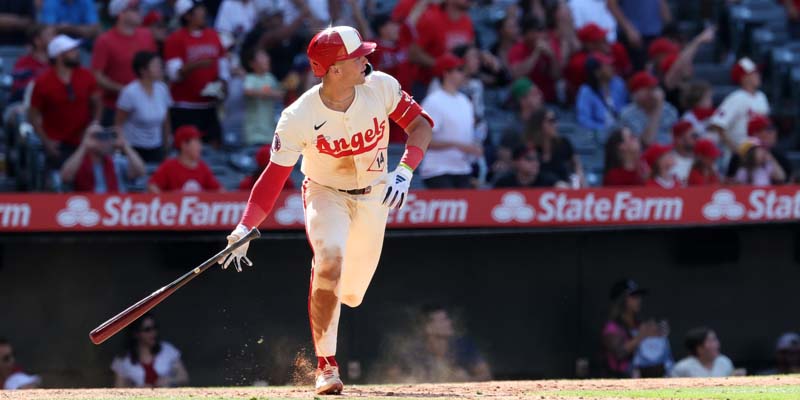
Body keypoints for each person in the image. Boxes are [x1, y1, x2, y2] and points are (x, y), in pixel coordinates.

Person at [219, 25, 433, 395]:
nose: (367, 59)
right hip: (325, 193)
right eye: (358, 56)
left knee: (351, 294)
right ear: (335, 68)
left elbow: (420, 125)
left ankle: (332, 313)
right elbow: (272, 178)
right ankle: (326, 367)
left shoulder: (379, 85)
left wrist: (405, 171)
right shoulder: (298, 115)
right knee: (330, 261)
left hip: (374, 196)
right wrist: (244, 227)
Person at [28, 34, 102, 168]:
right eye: (72, 51)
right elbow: (33, 116)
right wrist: (46, 142)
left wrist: (94, 124)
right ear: (59, 56)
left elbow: (97, 103)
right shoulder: (42, 83)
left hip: (83, 141)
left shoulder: (86, 76)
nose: (77, 53)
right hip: (58, 145)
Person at [164, 0, 228, 146]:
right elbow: (174, 74)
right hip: (185, 107)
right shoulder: (175, 39)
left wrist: (223, 83)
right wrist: (197, 65)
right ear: (187, 16)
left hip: (210, 106)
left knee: (215, 146)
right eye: (199, 11)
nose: (204, 13)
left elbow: (223, 63)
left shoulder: (213, 35)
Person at [381, 305, 492, 383]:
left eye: (448, 319)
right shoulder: (411, 350)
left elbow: (486, 375)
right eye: (443, 320)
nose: (449, 322)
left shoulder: (462, 345)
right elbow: (390, 378)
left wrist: (466, 380)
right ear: (428, 328)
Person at [91, 0, 157, 126]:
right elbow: (97, 76)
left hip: (145, 104)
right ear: (120, 14)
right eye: (134, 8)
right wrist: (126, 91)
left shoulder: (147, 35)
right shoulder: (104, 41)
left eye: (139, 7)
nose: (140, 11)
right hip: (115, 107)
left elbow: (154, 66)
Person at [420, 54, 479, 189]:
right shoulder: (433, 101)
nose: (463, 74)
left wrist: (473, 147)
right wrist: (456, 145)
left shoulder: (465, 101)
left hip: (463, 169)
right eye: (458, 70)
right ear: (446, 73)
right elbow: (423, 140)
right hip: (438, 170)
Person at [602, 279, 672, 378]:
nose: (638, 300)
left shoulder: (640, 323)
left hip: (645, 379)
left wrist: (657, 335)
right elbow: (619, 354)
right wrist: (641, 336)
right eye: (634, 297)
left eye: (639, 296)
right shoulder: (612, 327)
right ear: (621, 300)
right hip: (619, 381)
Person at [115, 51, 172, 163]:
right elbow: (119, 124)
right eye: (155, 65)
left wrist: (166, 146)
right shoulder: (129, 92)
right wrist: (122, 148)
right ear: (143, 70)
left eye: (160, 65)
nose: (160, 68)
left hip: (156, 147)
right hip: (133, 149)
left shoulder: (162, 89)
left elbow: (166, 121)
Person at [60, 124, 146, 192]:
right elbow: (65, 177)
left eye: (105, 137)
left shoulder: (116, 162)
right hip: (91, 209)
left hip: (116, 207)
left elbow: (140, 172)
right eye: (98, 137)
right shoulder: (79, 163)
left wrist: (125, 145)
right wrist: (84, 146)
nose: (104, 142)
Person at [408, 0, 474, 89]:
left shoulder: (467, 22)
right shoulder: (431, 19)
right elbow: (413, 54)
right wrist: (441, 66)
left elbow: (469, 51)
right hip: (427, 84)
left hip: (457, 85)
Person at [709, 58, 770, 154]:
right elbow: (717, 125)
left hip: (758, 152)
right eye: (753, 73)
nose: (758, 75)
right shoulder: (736, 98)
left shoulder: (762, 96)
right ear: (743, 77)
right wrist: (736, 151)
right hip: (739, 154)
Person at [111, 314, 189, 387]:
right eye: (147, 329)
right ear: (135, 333)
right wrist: (137, 390)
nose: (153, 333)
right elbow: (118, 389)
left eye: (154, 328)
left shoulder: (167, 350)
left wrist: (169, 380)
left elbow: (184, 377)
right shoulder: (122, 359)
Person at [148, 125, 222, 192]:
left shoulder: (202, 167)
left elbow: (219, 190)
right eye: (196, 141)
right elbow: (152, 187)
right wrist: (166, 202)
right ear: (184, 145)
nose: (200, 146)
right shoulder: (169, 166)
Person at [525, 108, 584, 187]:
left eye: (555, 121)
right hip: (537, 192)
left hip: (564, 191)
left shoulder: (564, 144)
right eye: (551, 121)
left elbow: (578, 168)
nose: (555, 125)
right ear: (539, 124)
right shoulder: (530, 148)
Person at [726, 115, 792, 184]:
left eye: (774, 129)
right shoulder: (739, 156)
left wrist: (768, 156)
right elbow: (730, 182)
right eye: (769, 129)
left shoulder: (779, 155)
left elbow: (784, 180)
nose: (774, 133)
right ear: (755, 134)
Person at [607, 0, 672, 69]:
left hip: (656, 35)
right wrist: (629, 30)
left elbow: (662, 5)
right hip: (634, 39)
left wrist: (669, 29)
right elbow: (611, 4)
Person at [508, 16, 559, 103]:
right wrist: (536, 53)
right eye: (536, 32)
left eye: (541, 31)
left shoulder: (550, 45)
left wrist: (552, 57)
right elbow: (517, 75)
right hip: (525, 101)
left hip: (549, 100)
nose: (540, 35)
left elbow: (557, 76)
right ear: (526, 34)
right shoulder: (517, 49)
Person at [619, 71, 678, 146]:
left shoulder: (669, 110)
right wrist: (657, 109)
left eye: (654, 88)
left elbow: (677, 142)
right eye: (648, 89)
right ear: (635, 93)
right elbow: (646, 142)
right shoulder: (627, 115)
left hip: (669, 154)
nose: (652, 93)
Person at [575, 52, 628, 133]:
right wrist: (605, 129)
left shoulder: (619, 83)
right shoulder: (586, 92)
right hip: (599, 136)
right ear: (597, 72)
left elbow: (625, 108)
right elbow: (584, 121)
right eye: (607, 66)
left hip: (622, 131)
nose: (612, 68)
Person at [241, 48, 283, 146]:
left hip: (270, 131)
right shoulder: (250, 78)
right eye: (262, 57)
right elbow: (247, 91)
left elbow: (280, 93)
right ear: (252, 64)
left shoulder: (270, 78)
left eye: (266, 57)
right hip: (254, 131)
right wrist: (268, 94)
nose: (266, 60)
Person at [9, 25, 55, 103]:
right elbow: (19, 90)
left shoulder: (60, 61)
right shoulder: (23, 63)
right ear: (37, 41)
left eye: (55, 35)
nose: (55, 39)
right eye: (50, 35)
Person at [670, 328, 735, 378]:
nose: (717, 344)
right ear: (699, 348)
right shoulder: (682, 368)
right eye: (711, 341)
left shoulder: (725, 361)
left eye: (715, 340)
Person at [495, 145, 563, 188]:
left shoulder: (548, 181)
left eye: (537, 159)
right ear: (515, 162)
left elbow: (563, 187)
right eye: (529, 159)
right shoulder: (503, 184)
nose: (535, 163)